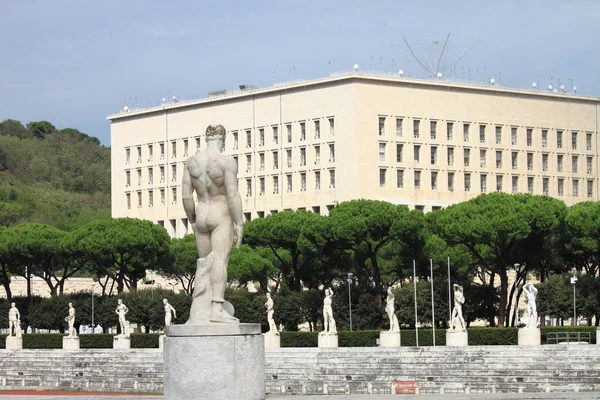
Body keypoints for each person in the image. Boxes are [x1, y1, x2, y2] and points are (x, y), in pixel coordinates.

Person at [182, 124, 244, 324]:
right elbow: (233, 194)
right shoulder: (226, 162)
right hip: (220, 214)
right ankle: (216, 308)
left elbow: (186, 196)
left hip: (201, 214)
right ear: (223, 139)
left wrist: (192, 218)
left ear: (206, 139)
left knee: (204, 265)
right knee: (219, 261)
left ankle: (201, 310)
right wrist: (239, 223)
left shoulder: (192, 162)